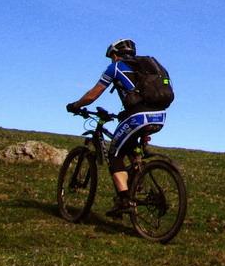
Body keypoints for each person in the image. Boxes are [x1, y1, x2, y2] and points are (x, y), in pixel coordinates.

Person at [66, 38, 168, 217]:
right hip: (159, 116)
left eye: (111, 56)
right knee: (129, 147)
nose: (111, 60)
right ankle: (137, 178)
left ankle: (124, 199)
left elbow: (92, 95)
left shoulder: (116, 67)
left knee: (114, 154)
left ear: (115, 54)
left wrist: (76, 105)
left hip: (138, 117)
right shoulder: (144, 68)